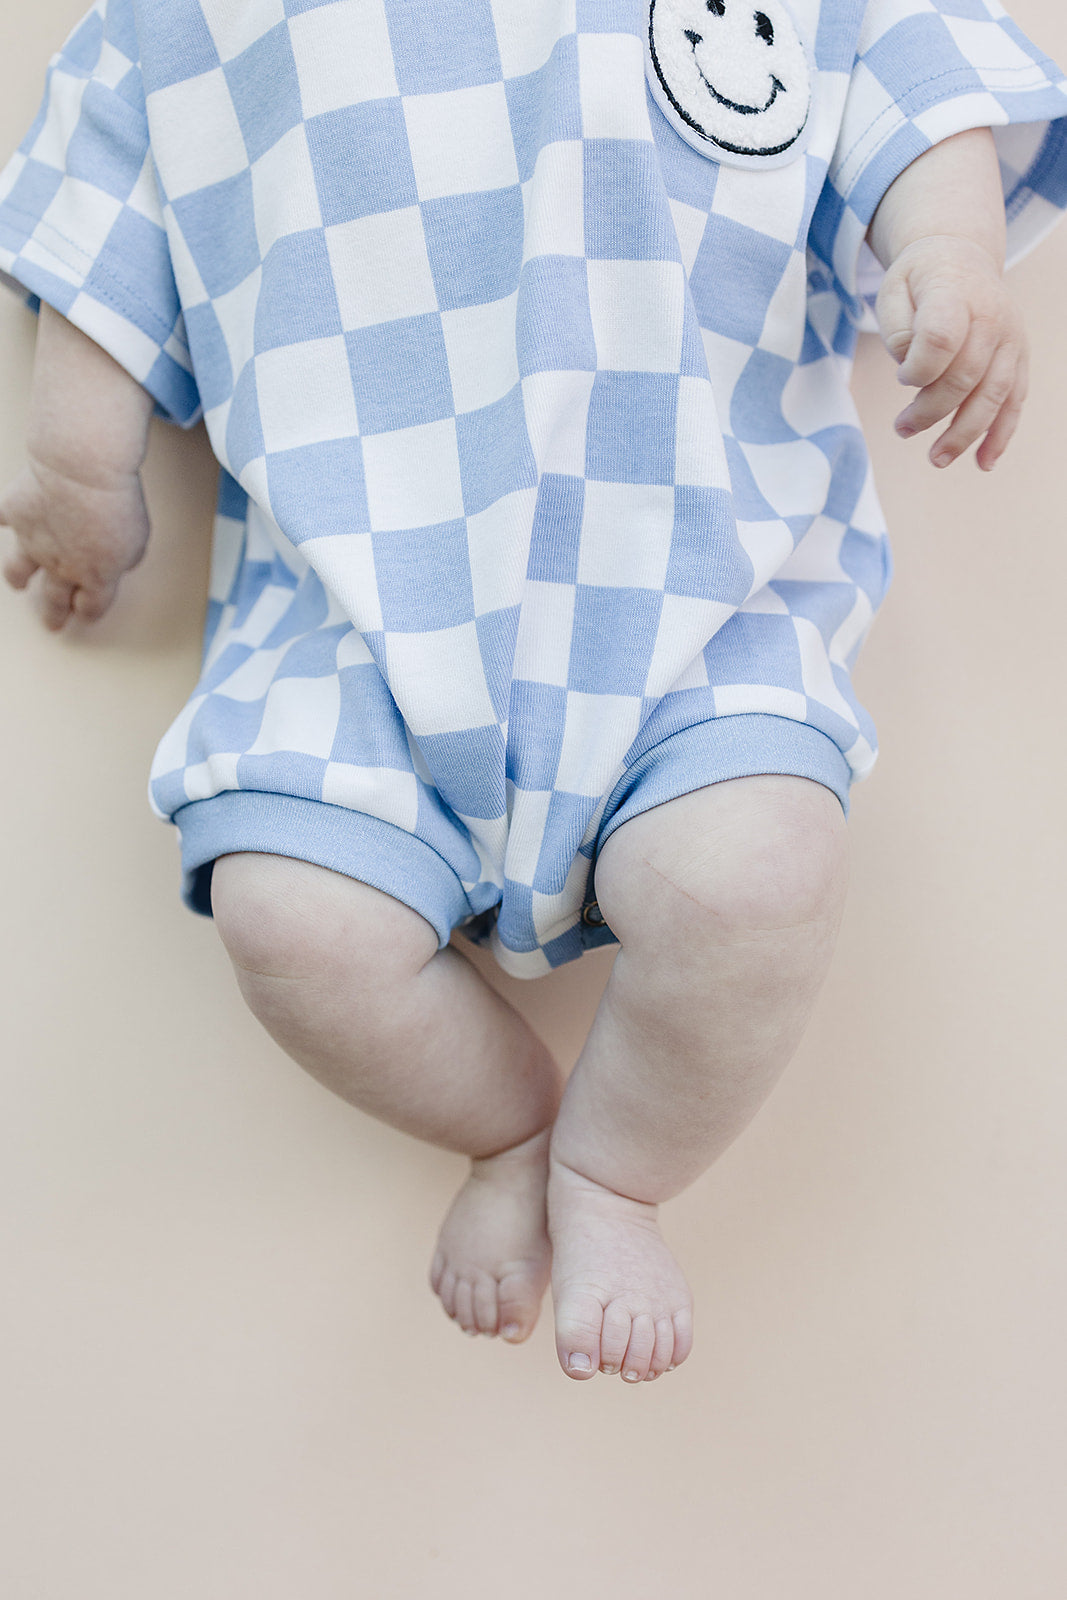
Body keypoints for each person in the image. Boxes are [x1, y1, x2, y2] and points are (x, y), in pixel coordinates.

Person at [2, 0, 1065, 1385]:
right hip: (358, 607)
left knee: (759, 877)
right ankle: (506, 1126)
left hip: (693, 584)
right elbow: (110, 195)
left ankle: (615, 1173)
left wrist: (949, 246)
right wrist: (78, 467)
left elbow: (900, 57)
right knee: (289, 921)